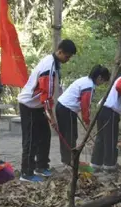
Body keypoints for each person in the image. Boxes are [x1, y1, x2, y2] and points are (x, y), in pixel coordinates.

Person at [17, 39, 76, 182]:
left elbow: (52, 91)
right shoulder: (49, 66)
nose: (67, 60)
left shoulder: (55, 64)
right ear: (60, 51)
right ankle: (26, 173)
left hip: (38, 106)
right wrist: (52, 118)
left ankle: (41, 166)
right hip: (29, 105)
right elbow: (46, 96)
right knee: (31, 139)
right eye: (67, 56)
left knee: (44, 136)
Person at [56, 65, 110, 166]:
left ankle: (67, 160)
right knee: (70, 136)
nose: (101, 84)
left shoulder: (85, 80)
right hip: (67, 109)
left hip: (64, 107)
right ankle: (69, 161)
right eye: (103, 81)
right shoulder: (88, 86)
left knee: (69, 135)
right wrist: (87, 121)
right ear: (99, 78)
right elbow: (85, 106)